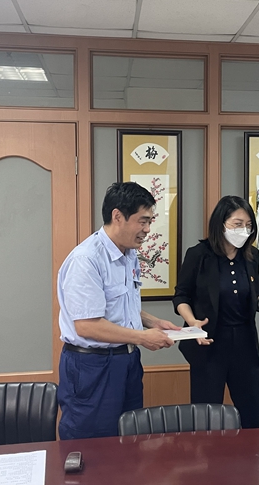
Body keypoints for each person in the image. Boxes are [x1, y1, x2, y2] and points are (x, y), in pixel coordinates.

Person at [57, 181, 180, 439]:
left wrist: (152, 322)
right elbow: (87, 325)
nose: (147, 229)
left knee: (129, 438)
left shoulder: (129, 254)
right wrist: (143, 338)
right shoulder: (86, 259)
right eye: (142, 221)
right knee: (93, 444)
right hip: (91, 366)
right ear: (118, 216)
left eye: (150, 222)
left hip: (127, 362)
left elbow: (118, 306)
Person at [172, 195, 259, 428]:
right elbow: (181, 296)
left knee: (253, 413)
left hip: (244, 344)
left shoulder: (251, 256)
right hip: (209, 343)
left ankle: (252, 452)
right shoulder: (198, 255)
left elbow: (257, 294)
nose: (244, 230)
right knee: (206, 416)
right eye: (237, 224)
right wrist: (192, 323)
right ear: (221, 223)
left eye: (248, 225)